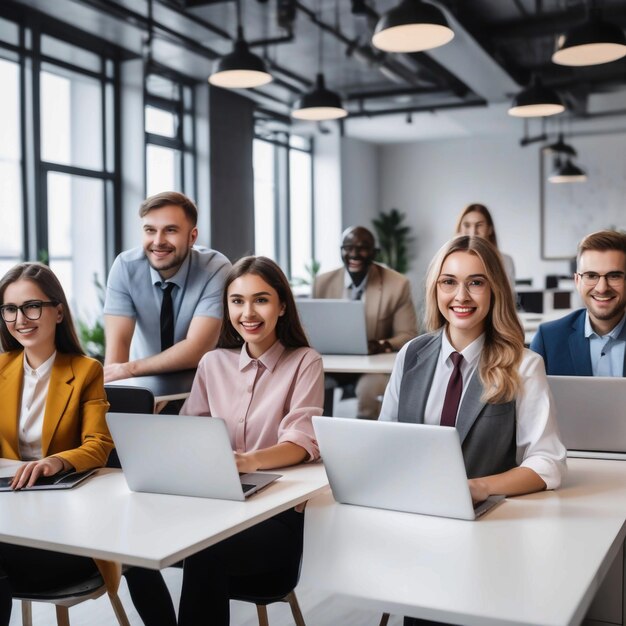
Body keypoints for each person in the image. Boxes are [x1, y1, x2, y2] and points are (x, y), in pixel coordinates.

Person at [123, 255, 324, 626]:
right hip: (210, 506)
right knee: (129, 543)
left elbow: (301, 442)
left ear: (282, 306)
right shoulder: (213, 363)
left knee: (204, 551)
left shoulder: (304, 361)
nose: (248, 312)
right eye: (237, 301)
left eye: (261, 300)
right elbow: (190, 433)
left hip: (272, 517)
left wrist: (250, 461)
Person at [380, 235, 565, 509]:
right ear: (435, 289)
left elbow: (547, 462)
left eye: (476, 282)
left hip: (486, 517)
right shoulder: (410, 354)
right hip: (412, 506)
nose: (461, 296)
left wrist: (480, 487)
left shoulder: (524, 365)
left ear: (494, 290)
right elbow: (385, 439)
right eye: (449, 282)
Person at [0, 262, 114, 625]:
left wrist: (57, 462)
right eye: (10, 309)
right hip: (9, 512)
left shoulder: (85, 370)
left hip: (64, 525)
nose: (21, 319)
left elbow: (98, 444)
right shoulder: (0, 369)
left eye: (32, 306)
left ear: (58, 311)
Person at [103, 191, 231, 383]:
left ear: (192, 236)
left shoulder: (215, 268)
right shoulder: (125, 267)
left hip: (201, 384)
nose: (158, 241)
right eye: (150, 230)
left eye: (170, 230)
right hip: (143, 383)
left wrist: (131, 369)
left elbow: (197, 348)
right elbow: (117, 351)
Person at [313, 225, 418, 418]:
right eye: (348, 247)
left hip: (372, 366)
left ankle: (367, 444)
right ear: (341, 250)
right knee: (311, 383)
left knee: (370, 390)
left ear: (374, 252)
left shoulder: (397, 284)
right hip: (332, 363)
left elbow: (408, 335)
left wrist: (380, 345)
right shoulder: (322, 282)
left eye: (362, 247)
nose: (354, 254)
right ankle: (316, 441)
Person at [531, 230, 626, 376]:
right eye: (591, 275)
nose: (602, 288)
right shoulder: (548, 340)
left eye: (614, 276)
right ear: (577, 281)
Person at [455, 203, 516, 288]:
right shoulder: (451, 261)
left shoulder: (506, 261)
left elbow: (508, 297)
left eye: (479, 225)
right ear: (459, 229)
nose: (473, 232)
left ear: (490, 229)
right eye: (467, 225)